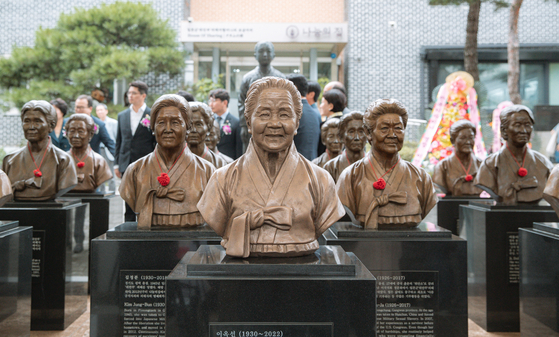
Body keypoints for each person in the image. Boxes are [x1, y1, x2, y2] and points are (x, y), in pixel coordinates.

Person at [198, 77, 344, 258]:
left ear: (297, 123)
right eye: (264, 114)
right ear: (249, 122)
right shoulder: (222, 179)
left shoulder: (321, 180)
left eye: (284, 114)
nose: (274, 123)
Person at [336, 99, 438, 229]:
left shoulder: (421, 178)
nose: (392, 135)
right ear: (368, 133)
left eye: (398, 128)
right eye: (384, 128)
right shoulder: (350, 176)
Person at [120, 94, 216, 229]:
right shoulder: (135, 170)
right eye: (161, 122)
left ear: (188, 127)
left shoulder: (207, 171)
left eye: (175, 122)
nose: (168, 129)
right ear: (152, 128)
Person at [475, 104, 553, 205]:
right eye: (517, 125)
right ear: (504, 131)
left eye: (527, 125)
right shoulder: (489, 165)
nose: (523, 131)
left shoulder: (544, 164)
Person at [3, 100, 77, 201]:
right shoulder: (9, 160)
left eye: (37, 121)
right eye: (27, 121)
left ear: (51, 125)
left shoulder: (63, 160)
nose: (31, 127)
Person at [115, 81, 156, 221]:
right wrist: (116, 164)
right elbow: (119, 141)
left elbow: (155, 142)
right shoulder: (122, 115)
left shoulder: (152, 114)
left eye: (134, 93)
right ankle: (128, 226)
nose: (130, 96)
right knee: (128, 198)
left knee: (145, 197)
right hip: (126, 162)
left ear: (143, 95)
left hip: (146, 163)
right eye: (129, 93)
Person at [237, 41, 285, 152]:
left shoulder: (281, 78)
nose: (264, 54)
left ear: (273, 55)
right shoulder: (247, 78)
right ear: (255, 55)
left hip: (275, 124)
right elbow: (241, 102)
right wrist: (244, 125)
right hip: (253, 125)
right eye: (261, 51)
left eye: (268, 51)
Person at [433, 120, 483, 196]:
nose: (468, 142)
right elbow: (438, 192)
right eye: (463, 138)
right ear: (452, 141)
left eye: (471, 138)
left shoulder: (482, 165)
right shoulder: (443, 166)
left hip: (478, 205)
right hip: (452, 206)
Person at [65, 114, 112, 193]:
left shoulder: (99, 161)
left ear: (90, 134)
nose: (76, 136)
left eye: (81, 132)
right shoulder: (61, 159)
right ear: (66, 134)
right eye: (72, 131)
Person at [323, 111, 366, 183]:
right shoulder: (331, 167)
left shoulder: (375, 165)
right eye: (351, 132)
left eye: (361, 131)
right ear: (342, 136)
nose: (356, 137)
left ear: (367, 135)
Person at [286, 74, 321, 160]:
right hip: (312, 164)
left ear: (294, 88)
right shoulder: (315, 113)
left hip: (296, 164)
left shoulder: (292, 112)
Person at [187, 102, 228, 169]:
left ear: (208, 128)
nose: (193, 130)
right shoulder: (174, 159)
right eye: (190, 124)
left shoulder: (220, 163)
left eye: (198, 124)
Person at [209, 89, 242, 159]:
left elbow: (239, 148)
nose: (210, 104)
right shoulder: (208, 121)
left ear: (224, 103)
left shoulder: (236, 122)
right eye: (210, 101)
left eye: (214, 101)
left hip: (229, 163)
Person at [95, 103, 118, 191]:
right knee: (100, 173)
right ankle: (101, 192)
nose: (100, 112)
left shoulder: (113, 123)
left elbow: (116, 138)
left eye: (101, 110)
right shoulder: (95, 123)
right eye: (98, 110)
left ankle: (112, 192)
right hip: (99, 150)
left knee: (111, 173)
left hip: (109, 151)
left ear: (106, 111)